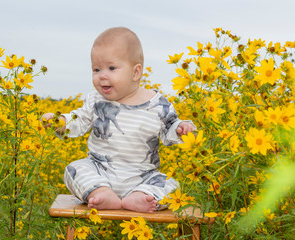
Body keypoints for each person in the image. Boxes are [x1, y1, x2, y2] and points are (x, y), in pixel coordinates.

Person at [42, 27, 196, 213]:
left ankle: (140, 197)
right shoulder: (95, 101)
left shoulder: (158, 104)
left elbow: (170, 130)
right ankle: (101, 192)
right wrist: (61, 122)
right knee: (73, 169)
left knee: (172, 185)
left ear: (136, 72)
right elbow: (79, 120)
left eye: (111, 68)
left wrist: (181, 128)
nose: (102, 75)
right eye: (96, 69)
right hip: (100, 171)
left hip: (143, 177)